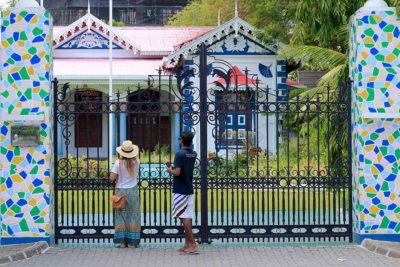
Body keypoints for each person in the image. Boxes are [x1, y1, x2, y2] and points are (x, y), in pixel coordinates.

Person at [167, 132, 198, 254]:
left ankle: (193, 244)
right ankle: (187, 245)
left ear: (181, 141)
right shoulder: (193, 153)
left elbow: (178, 172)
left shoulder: (180, 154)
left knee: (183, 217)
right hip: (189, 188)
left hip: (180, 189)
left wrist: (170, 170)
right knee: (187, 217)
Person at [110, 140, 141, 248]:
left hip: (121, 191)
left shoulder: (118, 163)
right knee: (133, 215)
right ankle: (134, 241)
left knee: (121, 215)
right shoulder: (137, 161)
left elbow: (112, 178)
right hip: (133, 191)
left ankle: (123, 242)